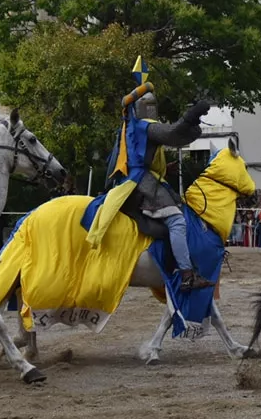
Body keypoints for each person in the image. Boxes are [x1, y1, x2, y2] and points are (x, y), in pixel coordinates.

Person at [89, 80, 214, 292]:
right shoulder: (144, 126)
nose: (153, 110)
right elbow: (173, 133)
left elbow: (174, 138)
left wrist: (194, 122)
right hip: (141, 183)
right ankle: (186, 274)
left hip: (139, 178)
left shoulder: (129, 128)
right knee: (177, 221)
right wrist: (192, 115)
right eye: (151, 106)